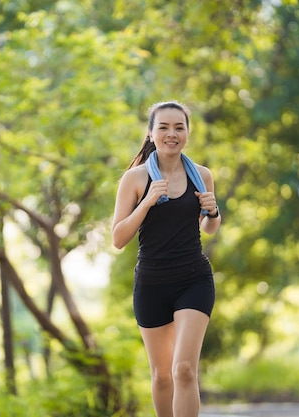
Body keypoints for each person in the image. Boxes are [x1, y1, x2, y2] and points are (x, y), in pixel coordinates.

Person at [112, 100, 221, 417]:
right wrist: (146, 202)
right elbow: (118, 239)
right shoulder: (135, 179)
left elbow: (209, 227)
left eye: (179, 127)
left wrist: (213, 211)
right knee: (161, 377)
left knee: (184, 369)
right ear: (150, 134)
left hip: (193, 280)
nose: (171, 133)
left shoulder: (201, 175)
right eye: (163, 127)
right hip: (152, 284)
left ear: (187, 132)